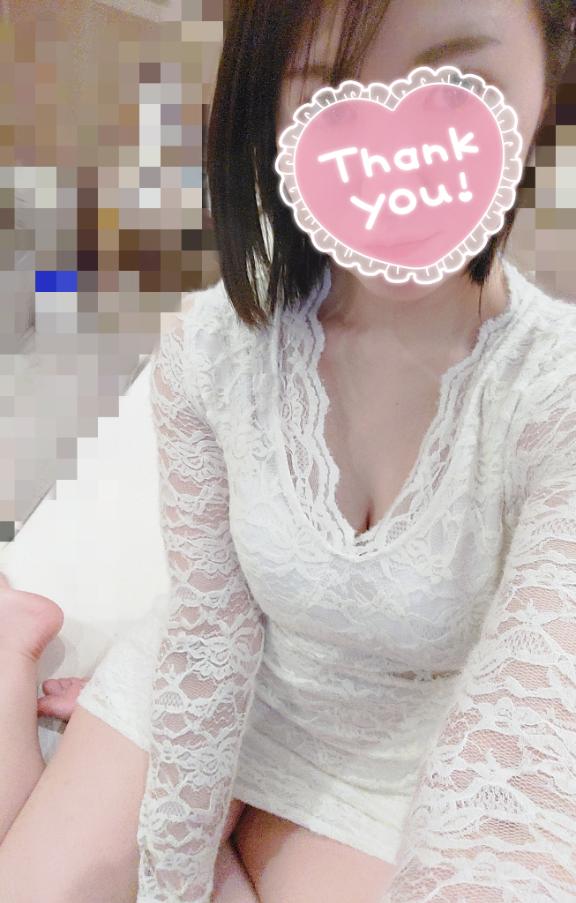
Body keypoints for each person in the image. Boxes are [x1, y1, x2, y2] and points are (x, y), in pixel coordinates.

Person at [0, 1, 575, 901]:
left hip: (398, 749)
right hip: (236, 674)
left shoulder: (556, 397)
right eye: (332, 91)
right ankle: (11, 639)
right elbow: (213, 629)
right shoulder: (212, 352)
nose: (396, 150)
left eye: (456, 82)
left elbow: (524, 753)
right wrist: (175, 868)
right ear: (268, 109)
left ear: (547, 82)